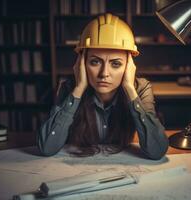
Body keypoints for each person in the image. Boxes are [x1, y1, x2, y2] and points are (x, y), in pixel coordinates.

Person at [37, 13, 168, 159]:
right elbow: (47, 148)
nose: (104, 73)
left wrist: (130, 91)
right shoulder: (70, 88)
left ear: (128, 67)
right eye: (95, 62)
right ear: (82, 63)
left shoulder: (140, 89)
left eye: (116, 64)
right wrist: (79, 88)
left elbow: (157, 151)